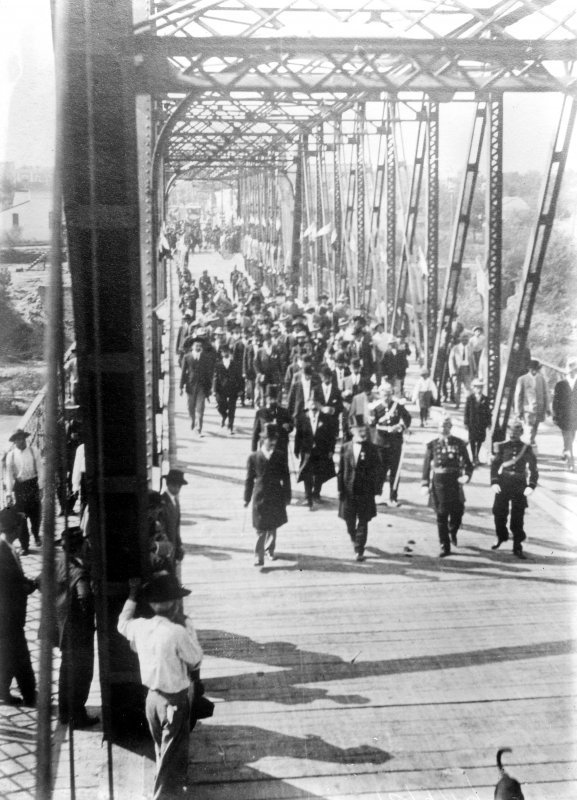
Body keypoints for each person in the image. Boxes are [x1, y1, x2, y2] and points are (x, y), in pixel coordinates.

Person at [118, 574, 203, 800]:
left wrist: (132, 597)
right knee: (171, 759)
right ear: (175, 604)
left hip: (152, 701)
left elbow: (122, 623)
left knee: (162, 751)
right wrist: (189, 630)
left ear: (152, 605)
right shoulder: (177, 632)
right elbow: (195, 658)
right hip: (174, 701)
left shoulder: (140, 627)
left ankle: (167, 788)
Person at [55, 526, 98, 727]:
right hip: (79, 631)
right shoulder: (80, 572)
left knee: (66, 671)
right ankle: (77, 715)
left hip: (63, 628)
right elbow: (85, 598)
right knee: (81, 674)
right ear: (80, 547)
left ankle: (64, 713)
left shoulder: (58, 562)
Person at [0, 505, 38, 706]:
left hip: (10, 614)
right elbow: (11, 587)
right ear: (13, 529)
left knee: (8, 653)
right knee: (20, 654)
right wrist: (33, 585)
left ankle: (3, 690)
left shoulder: (8, 547)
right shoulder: (2, 552)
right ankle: (31, 695)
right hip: (7, 615)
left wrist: (29, 583)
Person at [421, 415, 473, 557]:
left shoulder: (459, 443)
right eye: (441, 426)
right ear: (438, 428)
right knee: (441, 514)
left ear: (450, 427)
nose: (443, 428)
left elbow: (468, 464)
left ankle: (453, 530)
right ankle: (444, 545)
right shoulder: (432, 444)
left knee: (458, 512)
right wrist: (425, 483)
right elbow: (426, 465)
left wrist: (467, 476)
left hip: (455, 482)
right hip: (439, 482)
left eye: (446, 426)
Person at [244, 423, 291, 566]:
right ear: (263, 440)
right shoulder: (253, 457)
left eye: (275, 439)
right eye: (270, 439)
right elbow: (249, 479)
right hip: (260, 495)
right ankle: (258, 556)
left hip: (276, 494)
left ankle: (270, 550)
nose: (273, 442)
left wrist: (287, 495)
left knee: (273, 524)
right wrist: (247, 498)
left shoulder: (280, 456)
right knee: (260, 526)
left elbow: (286, 477)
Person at [490, 418, 538, 559]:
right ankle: (501, 536)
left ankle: (517, 545)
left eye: (516, 432)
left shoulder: (527, 448)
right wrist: (494, 482)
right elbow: (495, 466)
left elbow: (534, 470)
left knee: (518, 517)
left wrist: (531, 485)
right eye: (511, 431)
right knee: (498, 512)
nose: (513, 434)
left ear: (521, 432)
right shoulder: (503, 447)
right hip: (503, 483)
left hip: (519, 484)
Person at [337, 415, 381, 562]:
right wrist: (340, 489)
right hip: (349, 491)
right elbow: (341, 470)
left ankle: (359, 549)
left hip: (365, 491)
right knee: (349, 521)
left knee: (363, 520)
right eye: (359, 429)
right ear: (352, 430)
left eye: (364, 429)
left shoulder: (372, 449)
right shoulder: (345, 447)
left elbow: (378, 470)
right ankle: (354, 538)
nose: (362, 432)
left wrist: (376, 489)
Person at [370, 382, 411, 507]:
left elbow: (407, 418)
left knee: (395, 471)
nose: (386, 397)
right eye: (384, 394)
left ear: (391, 394)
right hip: (381, 442)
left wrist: (400, 426)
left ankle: (393, 497)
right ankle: (377, 495)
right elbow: (372, 424)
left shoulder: (398, 406)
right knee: (379, 470)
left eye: (388, 395)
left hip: (395, 442)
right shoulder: (375, 408)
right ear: (380, 394)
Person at [4, 428, 43, 554]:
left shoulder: (34, 451)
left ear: (25, 438)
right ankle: (24, 545)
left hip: (33, 485)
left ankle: (36, 535)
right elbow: (8, 475)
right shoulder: (11, 455)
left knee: (35, 514)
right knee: (22, 517)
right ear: (14, 442)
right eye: (17, 440)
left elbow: (41, 469)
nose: (19, 441)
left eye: (21, 438)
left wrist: (41, 487)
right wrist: (9, 493)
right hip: (20, 488)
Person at [294, 397, 336, 509]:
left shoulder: (326, 418)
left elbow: (331, 436)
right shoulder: (302, 418)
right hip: (306, 451)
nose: (313, 408)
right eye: (311, 405)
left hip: (321, 450)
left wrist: (331, 450)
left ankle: (316, 493)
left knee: (319, 473)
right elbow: (298, 435)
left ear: (319, 406)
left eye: (315, 406)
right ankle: (308, 497)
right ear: (307, 406)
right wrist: (296, 449)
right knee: (306, 473)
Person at [180, 336, 214, 437]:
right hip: (190, 386)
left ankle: (198, 428)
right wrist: (180, 387)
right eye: (196, 345)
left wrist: (210, 387)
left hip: (202, 387)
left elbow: (209, 373)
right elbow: (183, 373)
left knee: (200, 408)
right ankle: (192, 421)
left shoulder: (205, 358)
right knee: (190, 407)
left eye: (200, 345)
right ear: (192, 346)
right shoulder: (187, 357)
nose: (198, 347)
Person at [251, 385, 293, 465]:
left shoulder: (284, 411)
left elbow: (291, 425)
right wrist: (254, 451)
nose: (272, 401)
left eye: (274, 399)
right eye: (270, 399)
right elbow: (255, 433)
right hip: (265, 447)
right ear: (266, 399)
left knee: (281, 471)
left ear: (277, 399)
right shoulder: (260, 413)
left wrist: (288, 426)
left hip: (281, 446)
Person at [514, 359, 550, 445]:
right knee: (529, 426)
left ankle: (531, 440)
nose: (534, 371)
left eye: (536, 369)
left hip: (539, 407)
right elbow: (518, 396)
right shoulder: (522, 379)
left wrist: (547, 408)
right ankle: (529, 442)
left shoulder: (541, 379)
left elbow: (545, 393)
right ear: (529, 369)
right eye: (532, 369)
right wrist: (517, 411)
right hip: (527, 408)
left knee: (535, 426)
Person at [159, 469, 187, 577]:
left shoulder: (175, 501)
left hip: (173, 546)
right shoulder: (163, 502)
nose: (177, 488)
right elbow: (161, 527)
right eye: (174, 485)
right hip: (166, 547)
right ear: (168, 484)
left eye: (179, 486)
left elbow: (176, 527)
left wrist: (179, 544)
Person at [552, 356, 577, 471]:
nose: (573, 370)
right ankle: (570, 461)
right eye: (572, 367)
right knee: (568, 437)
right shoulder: (560, 384)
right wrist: (555, 415)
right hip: (564, 417)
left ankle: (566, 451)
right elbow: (555, 401)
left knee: (571, 437)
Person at [212, 344, 243, 434]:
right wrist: (214, 390)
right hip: (221, 389)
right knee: (221, 406)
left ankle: (230, 426)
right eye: (223, 352)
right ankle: (224, 415)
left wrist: (241, 389)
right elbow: (215, 377)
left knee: (232, 408)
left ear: (229, 353)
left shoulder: (235, 364)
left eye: (227, 351)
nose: (225, 353)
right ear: (221, 353)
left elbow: (239, 378)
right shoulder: (218, 364)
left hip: (233, 389)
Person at [463, 377, 492, 465]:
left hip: (481, 423)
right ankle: (473, 456)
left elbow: (488, 412)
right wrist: (466, 422)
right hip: (472, 423)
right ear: (473, 388)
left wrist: (489, 422)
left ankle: (477, 456)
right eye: (477, 387)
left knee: (479, 440)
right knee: (472, 440)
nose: (478, 389)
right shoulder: (470, 398)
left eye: (480, 387)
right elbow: (466, 411)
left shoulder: (485, 399)